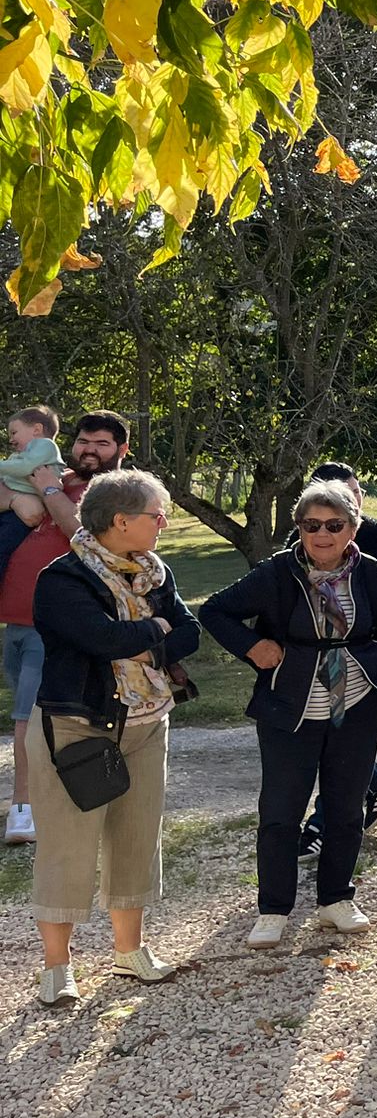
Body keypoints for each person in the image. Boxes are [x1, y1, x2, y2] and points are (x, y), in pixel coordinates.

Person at [202, 480, 377, 949]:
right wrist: (253, 646)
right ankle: (274, 908)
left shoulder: (369, 571)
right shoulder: (277, 572)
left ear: (353, 528)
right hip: (291, 706)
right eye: (311, 525)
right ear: (299, 529)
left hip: (353, 702)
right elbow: (215, 611)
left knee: (346, 806)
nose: (323, 534)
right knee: (280, 810)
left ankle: (336, 899)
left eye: (335, 525)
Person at [26, 470, 200, 1006]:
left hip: (147, 721)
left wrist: (146, 638)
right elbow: (101, 639)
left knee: (136, 840)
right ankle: (58, 968)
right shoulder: (62, 579)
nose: (165, 523)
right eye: (156, 514)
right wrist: (155, 633)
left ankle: (130, 952)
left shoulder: (154, 569)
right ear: (121, 521)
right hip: (78, 726)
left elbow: (189, 632)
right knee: (67, 848)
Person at [4, 410, 126, 848]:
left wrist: (48, 491)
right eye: (84, 441)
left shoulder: (114, 491)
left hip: (53, 625)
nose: (90, 450)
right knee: (43, 718)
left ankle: (23, 810)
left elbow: (82, 535)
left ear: (121, 451)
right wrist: (23, 497)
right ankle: (67, 799)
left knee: (28, 719)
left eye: (102, 443)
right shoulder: (56, 475)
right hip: (16, 621)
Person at [292, 462, 377, 864]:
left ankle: (323, 828)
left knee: (342, 743)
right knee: (323, 740)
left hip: (356, 655)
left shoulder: (374, 534)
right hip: (311, 656)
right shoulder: (303, 534)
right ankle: (376, 781)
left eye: (352, 492)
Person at [0, 404, 65, 583]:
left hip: (18, 517)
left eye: (14, 432)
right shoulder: (23, 455)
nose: (11, 440)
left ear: (37, 429)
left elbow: (24, 468)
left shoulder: (45, 446)